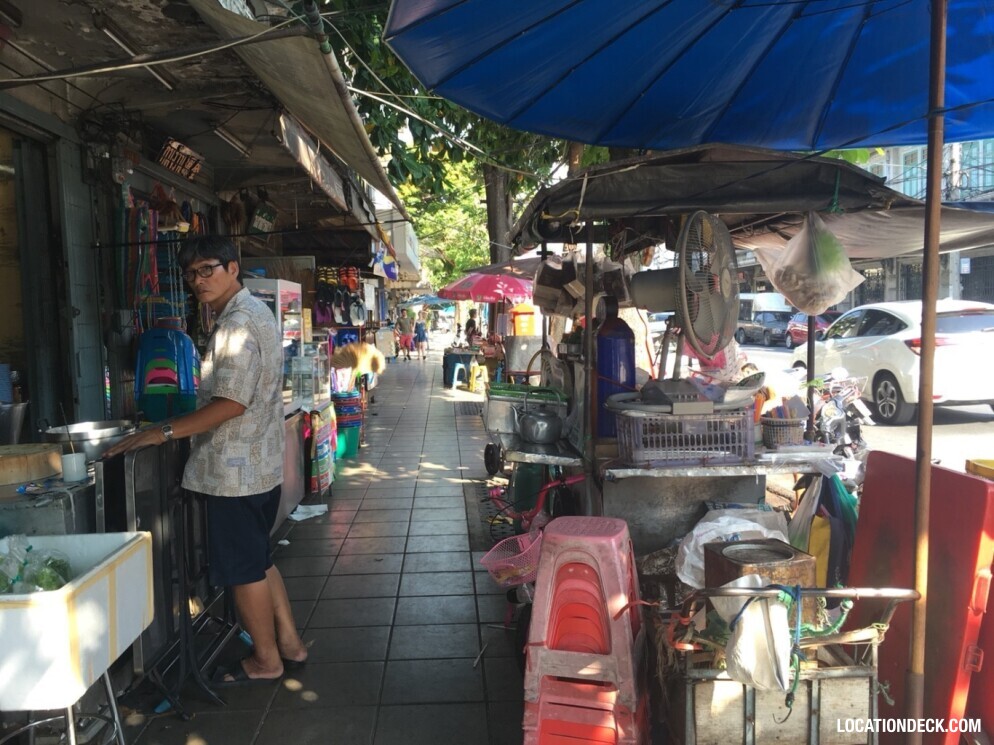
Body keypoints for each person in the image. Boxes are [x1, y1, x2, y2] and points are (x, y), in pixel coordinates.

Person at [104, 236, 307, 684]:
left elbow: (230, 403)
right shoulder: (256, 312)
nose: (198, 281)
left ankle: (266, 661)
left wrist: (162, 431)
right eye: (191, 274)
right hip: (260, 466)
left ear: (233, 268)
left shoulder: (237, 323)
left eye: (207, 269)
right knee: (259, 559)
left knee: (243, 568)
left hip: (236, 474)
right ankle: (290, 644)